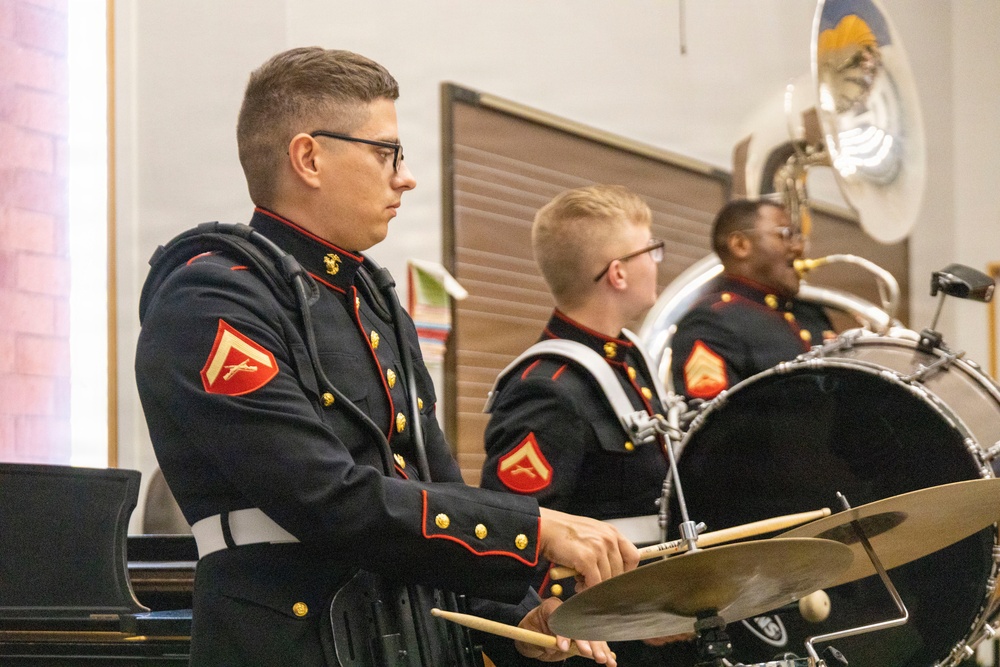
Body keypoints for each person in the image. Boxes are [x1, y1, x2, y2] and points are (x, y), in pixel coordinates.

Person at [135, 47, 639, 667]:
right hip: (295, 643)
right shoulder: (212, 297)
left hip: (407, 636)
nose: (405, 176)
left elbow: (428, 486)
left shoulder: (367, 297)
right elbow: (324, 495)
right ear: (309, 157)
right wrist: (532, 530)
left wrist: (521, 625)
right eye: (386, 152)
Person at [480, 185, 696, 666]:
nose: (657, 261)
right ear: (617, 272)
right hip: (597, 647)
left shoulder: (627, 359)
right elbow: (516, 536)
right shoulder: (548, 388)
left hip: (650, 627)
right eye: (650, 250)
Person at [670, 198, 837, 401]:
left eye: (797, 237)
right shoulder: (711, 321)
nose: (798, 248)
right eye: (785, 235)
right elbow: (714, 421)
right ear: (740, 245)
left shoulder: (810, 313)